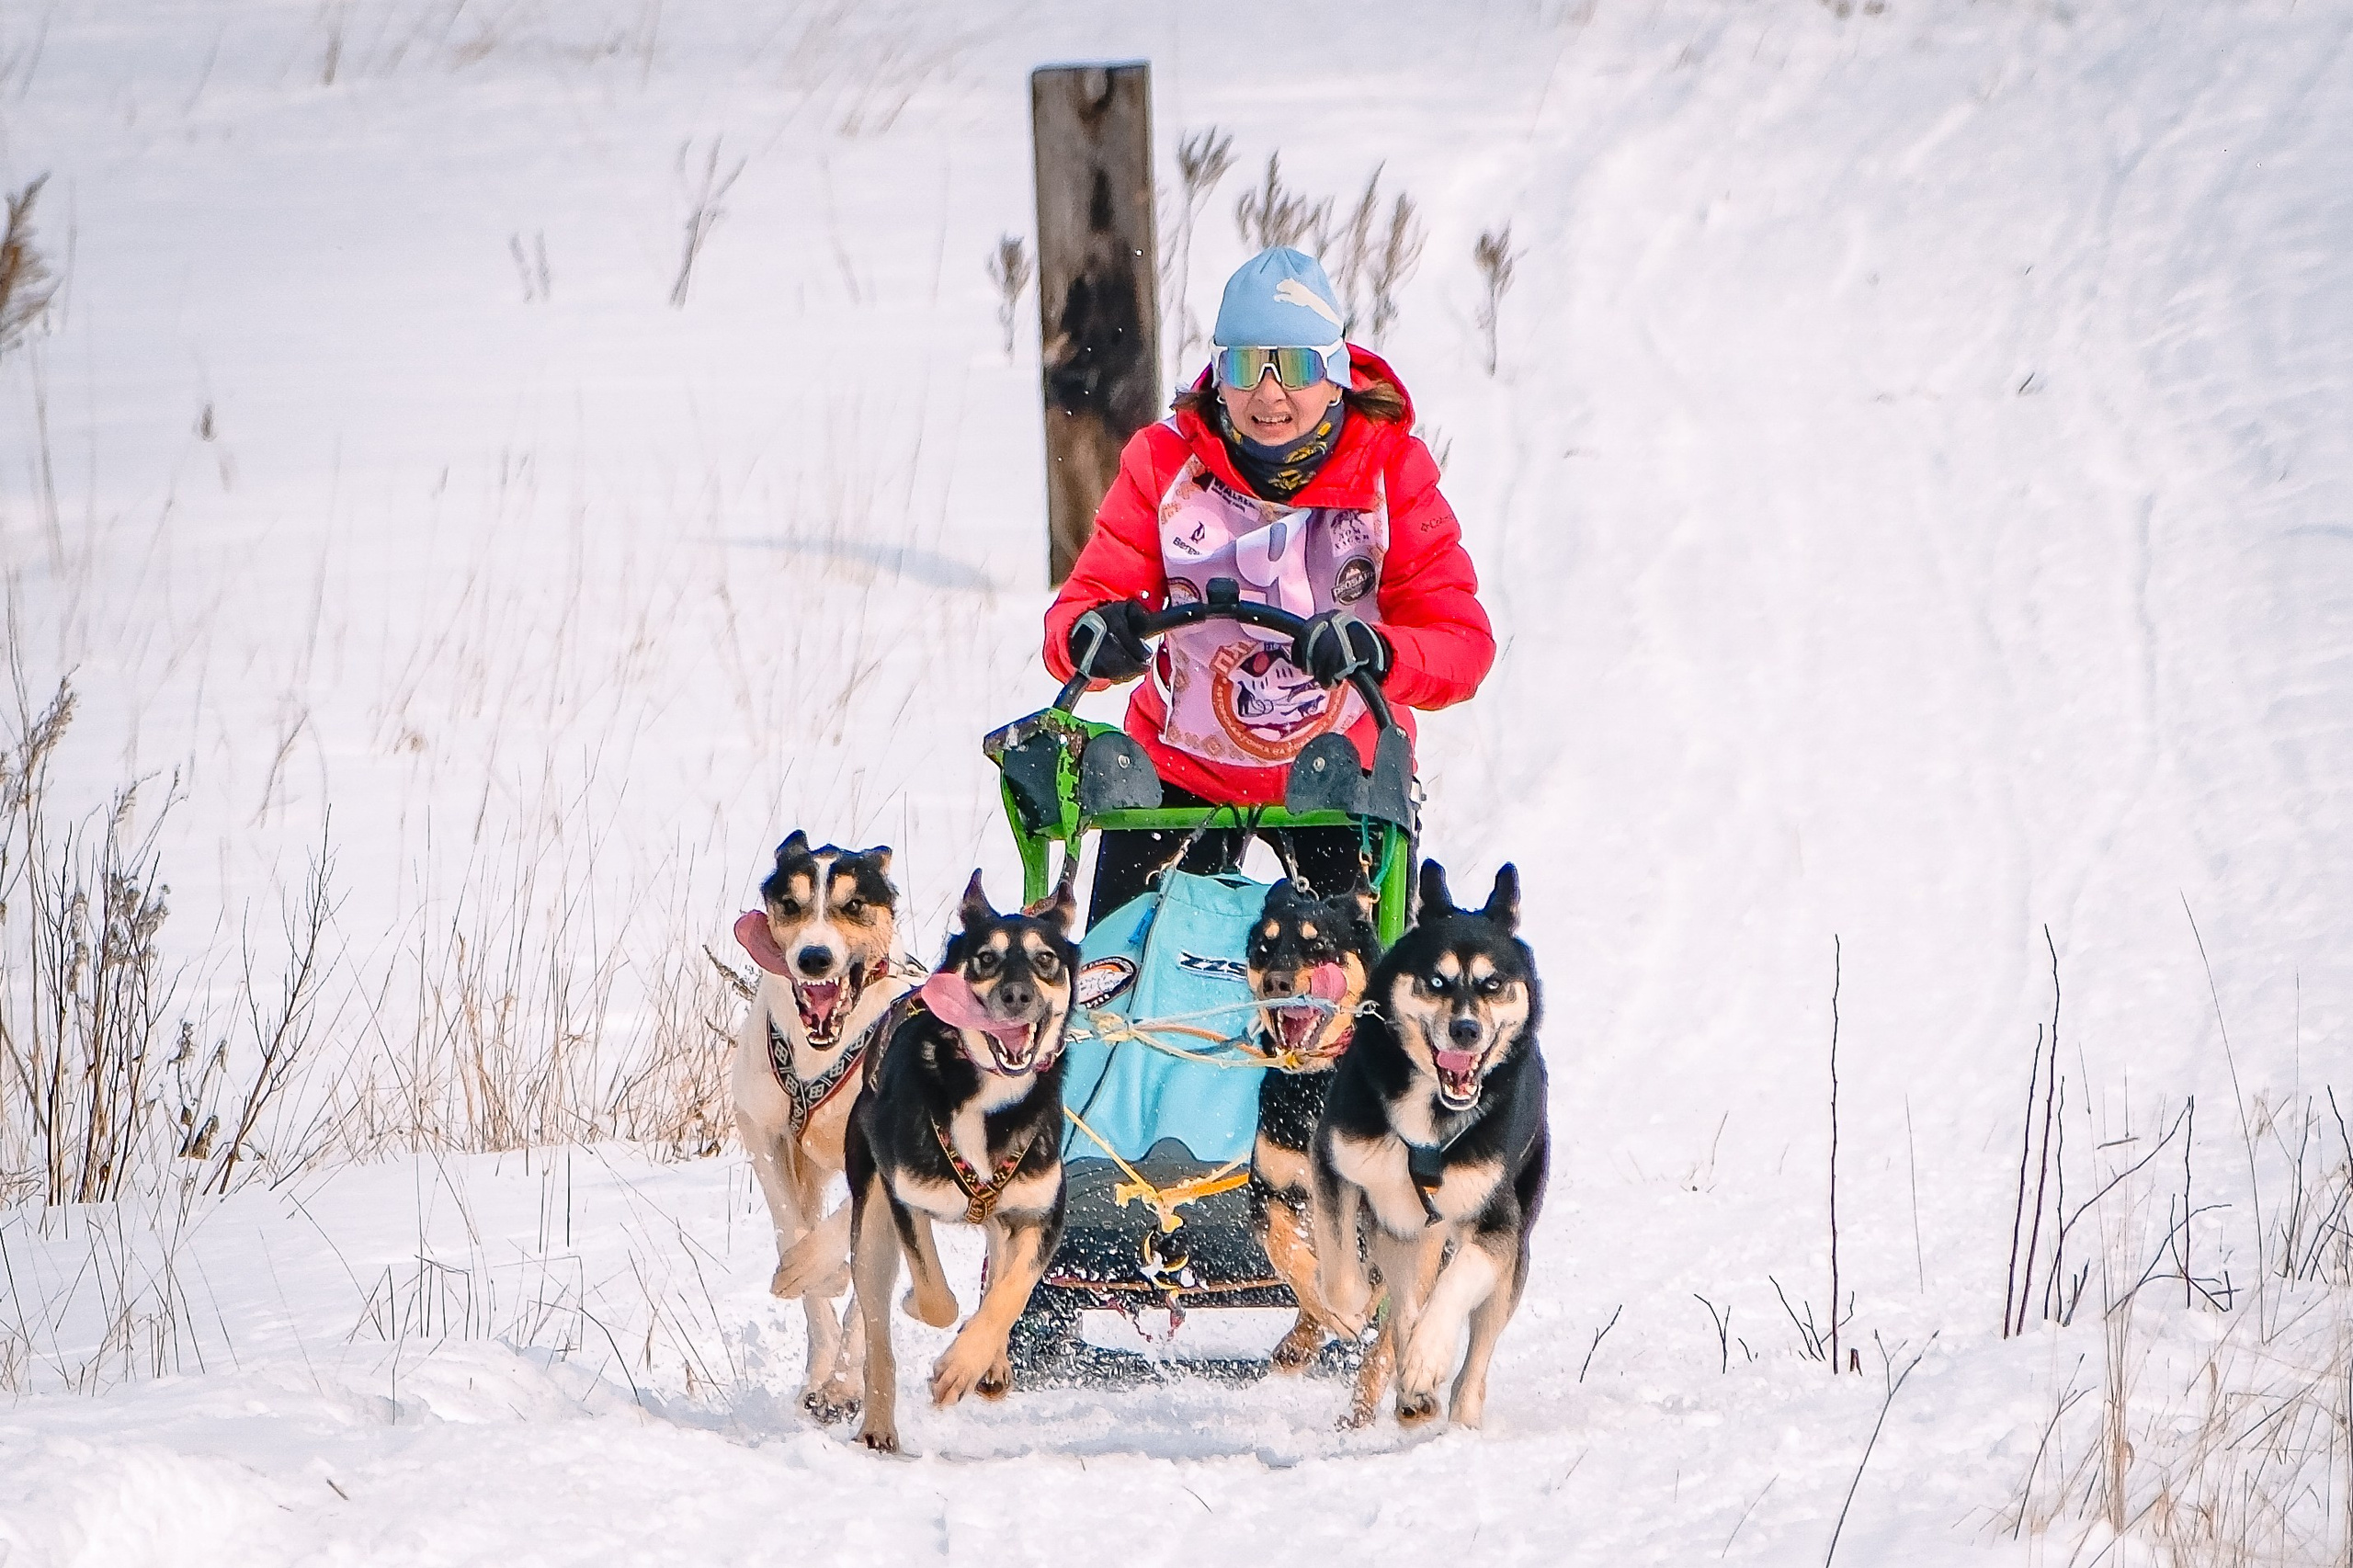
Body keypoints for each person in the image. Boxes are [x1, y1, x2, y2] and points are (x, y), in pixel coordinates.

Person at [1042, 247, 1495, 921]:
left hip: (1340, 777)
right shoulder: (1164, 464)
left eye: (1298, 366)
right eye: (1248, 366)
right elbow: (1077, 613)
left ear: (1337, 376)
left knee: (1349, 1002)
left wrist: (1382, 652)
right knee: (1122, 986)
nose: (1270, 393)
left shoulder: (1390, 472)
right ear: (1219, 377)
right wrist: (1096, 633)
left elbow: (1460, 643)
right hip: (1181, 770)